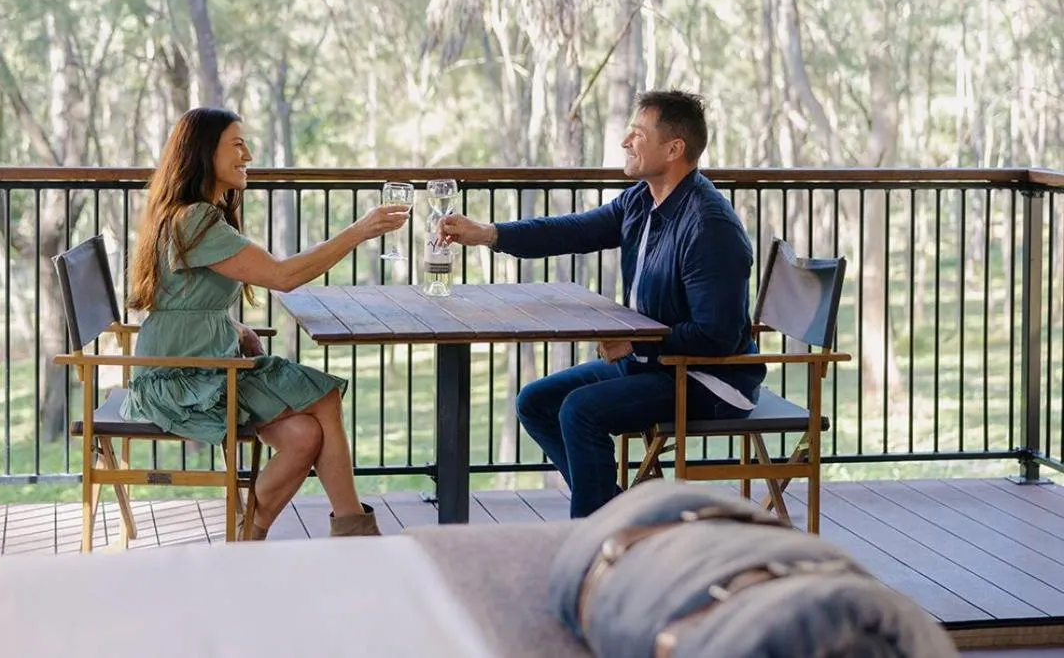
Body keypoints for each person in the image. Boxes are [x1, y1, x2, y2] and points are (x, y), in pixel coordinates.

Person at [439, 90, 763, 518]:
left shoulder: (709, 227)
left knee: (580, 410)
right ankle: (622, 514)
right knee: (536, 402)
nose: (626, 142)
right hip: (661, 362)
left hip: (710, 379)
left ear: (674, 149)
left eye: (637, 133)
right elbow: (573, 231)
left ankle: (596, 534)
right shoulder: (642, 200)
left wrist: (636, 345)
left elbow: (717, 336)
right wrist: (489, 233)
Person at [123, 107, 409, 539]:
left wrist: (233, 328)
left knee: (303, 435)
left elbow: (184, 299)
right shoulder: (194, 218)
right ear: (204, 153)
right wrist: (358, 232)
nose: (248, 154)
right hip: (182, 378)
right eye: (237, 144)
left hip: (204, 362)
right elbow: (283, 276)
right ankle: (355, 534)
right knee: (324, 395)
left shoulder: (191, 213)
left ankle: (248, 538)